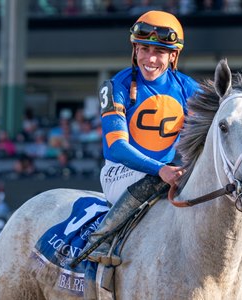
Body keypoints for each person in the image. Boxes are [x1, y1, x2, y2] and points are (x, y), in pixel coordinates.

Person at [84, 11, 199, 267]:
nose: (150, 58)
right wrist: (161, 169)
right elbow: (117, 148)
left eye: (159, 51)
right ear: (135, 49)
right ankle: (101, 239)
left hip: (165, 172)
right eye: (144, 48)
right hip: (120, 172)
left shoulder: (187, 88)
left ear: (173, 56)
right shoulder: (116, 86)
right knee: (154, 180)